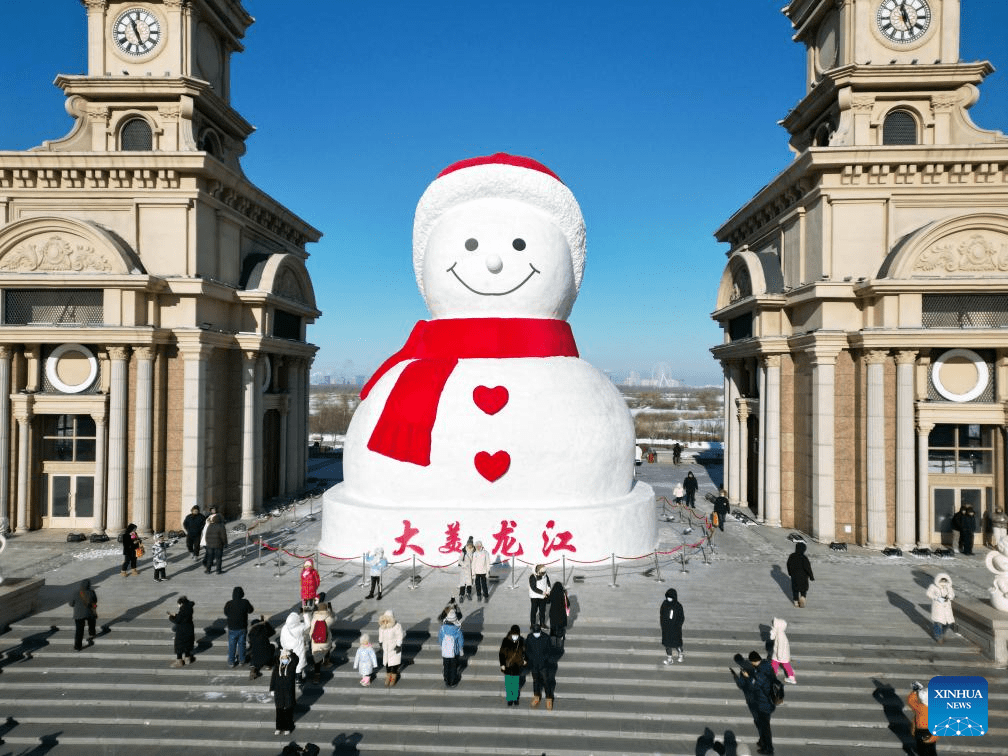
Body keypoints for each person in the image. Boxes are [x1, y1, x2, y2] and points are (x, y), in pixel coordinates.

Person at [741, 650, 776, 754]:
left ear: (754, 661)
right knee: (762, 724)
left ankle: (768, 748)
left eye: (751, 662)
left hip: (763, 704)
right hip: (767, 702)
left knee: (765, 727)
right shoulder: (766, 666)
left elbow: (756, 685)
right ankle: (763, 741)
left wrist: (748, 677)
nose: (751, 664)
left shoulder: (761, 671)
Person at [525, 623, 555, 710]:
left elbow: (549, 651)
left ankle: (549, 698)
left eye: (537, 632)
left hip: (543, 665)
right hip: (534, 664)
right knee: (535, 681)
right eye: (534, 632)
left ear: (540, 631)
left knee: (546, 681)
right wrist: (530, 658)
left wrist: (544, 659)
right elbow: (527, 650)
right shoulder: (530, 637)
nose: (536, 634)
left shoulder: (546, 637)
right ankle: (536, 696)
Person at [269, 648, 298, 736]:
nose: (284, 659)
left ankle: (288, 727)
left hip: (288, 692)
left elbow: (296, 659)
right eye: (283, 658)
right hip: (279, 691)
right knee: (279, 710)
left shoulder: (291, 666)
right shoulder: (277, 667)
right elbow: (273, 678)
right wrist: (272, 689)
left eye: (286, 658)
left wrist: (290, 653)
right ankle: (279, 727)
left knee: (288, 710)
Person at [223, 586, 254, 667]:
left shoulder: (229, 603)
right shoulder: (245, 602)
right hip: (242, 627)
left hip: (232, 628)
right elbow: (251, 610)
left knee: (232, 645)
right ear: (242, 593)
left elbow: (226, 613)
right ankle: (242, 660)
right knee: (242, 644)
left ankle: (231, 662)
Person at [906, 681, 938, 756]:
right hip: (931, 731)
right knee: (932, 749)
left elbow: (911, 701)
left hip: (920, 731)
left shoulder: (919, 707)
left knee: (921, 750)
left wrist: (914, 692)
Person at [308, 594, 335, 680]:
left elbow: (311, 632)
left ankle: (317, 675)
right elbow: (334, 617)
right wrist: (331, 610)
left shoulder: (314, 619)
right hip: (325, 642)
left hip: (316, 643)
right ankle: (326, 662)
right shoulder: (329, 618)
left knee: (317, 659)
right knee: (328, 644)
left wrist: (312, 639)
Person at [499, 624, 526, 707]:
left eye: (516, 634)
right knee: (508, 683)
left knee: (515, 683)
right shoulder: (506, 641)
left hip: (517, 665)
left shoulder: (521, 641)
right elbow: (501, 654)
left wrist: (525, 660)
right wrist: (502, 664)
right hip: (508, 665)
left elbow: (525, 652)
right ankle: (510, 699)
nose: (515, 636)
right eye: (514, 634)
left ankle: (515, 698)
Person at [438, 601, 463, 687]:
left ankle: (446, 679)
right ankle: (452, 682)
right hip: (454, 652)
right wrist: (460, 648)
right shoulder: (457, 629)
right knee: (453, 667)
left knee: (446, 665)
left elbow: (440, 639)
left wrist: (442, 645)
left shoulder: (443, 628)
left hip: (445, 651)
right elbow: (461, 641)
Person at [279, 611, 309, 683]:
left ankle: (288, 676)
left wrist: (284, 646)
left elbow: (281, 639)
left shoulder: (284, 628)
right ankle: (298, 678)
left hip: (287, 648)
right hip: (297, 648)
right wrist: (306, 615)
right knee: (299, 662)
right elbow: (308, 625)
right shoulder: (299, 628)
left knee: (289, 662)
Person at [377, 609, 404, 687]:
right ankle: (388, 676)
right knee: (387, 664)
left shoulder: (397, 626)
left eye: (387, 620)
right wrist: (380, 643)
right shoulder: (382, 627)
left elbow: (400, 636)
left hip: (394, 648)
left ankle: (393, 678)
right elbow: (381, 635)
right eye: (384, 619)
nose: (385, 621)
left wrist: (398, 645)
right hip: (386, 648)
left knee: (394, 664)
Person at [69, 578, 98, 651]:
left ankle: (77, 647)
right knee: (92, 620)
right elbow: (95, 601)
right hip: (89, 613)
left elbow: (71, 604)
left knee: (79, 631)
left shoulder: (75, 593)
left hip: (78, 615)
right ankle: (92, 633)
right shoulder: (92, 592)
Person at [926, 572, 955, 644]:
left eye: (945, 581)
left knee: (948, 623)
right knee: (938, 623)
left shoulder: (948, 588)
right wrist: (937, 598)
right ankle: (938, 637)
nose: (943, 582)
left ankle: (942, 633)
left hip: (947, 609)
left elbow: (952, 595)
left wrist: (949, 596)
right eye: (941, 580)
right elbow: (929, 593)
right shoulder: (933, 587)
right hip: (938, 609)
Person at [168, 595, 196, 668]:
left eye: (178, 604)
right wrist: (176, 614)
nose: (178, 606)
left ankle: (179, 661)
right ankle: (187, 659)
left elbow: (178, 620)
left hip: (182, 630)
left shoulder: (183, 609)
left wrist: (171, 617)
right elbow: (184, 617)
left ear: (181, 603)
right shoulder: (189, 607)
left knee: (179, 645)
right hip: (189, 629)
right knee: (187, 643)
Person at [660, 587, 685, 665]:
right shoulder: (664, 604)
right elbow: (662, 614)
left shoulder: (678, 606)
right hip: (667, 629)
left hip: (675, 629)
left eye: (670, 598)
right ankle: (669, 659)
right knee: (667, 645)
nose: (669, 599)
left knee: (677, 644)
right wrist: (663, 625)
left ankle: (681, 654)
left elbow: (681, 618)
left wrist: (677, 625)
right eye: (668, 597)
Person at [785, 541, 814, 608]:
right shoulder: (804, 558)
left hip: (794, 576)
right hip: (803, 577)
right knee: (803, 589)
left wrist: (790, 573)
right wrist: (811, 576)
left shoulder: (792, 556)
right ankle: (803, 598)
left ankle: (796, 602)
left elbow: (788, 565)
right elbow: (808, 568)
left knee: (795, 589)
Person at [248, 615, 276, 681]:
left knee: (254, 651)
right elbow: (273, 632)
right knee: (272, 646)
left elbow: (251, 646)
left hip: (256, 657)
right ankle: (269, 665)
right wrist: (266, 623)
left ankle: (254, 669)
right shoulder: (264, 630)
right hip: (267, 655)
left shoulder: (251, 634)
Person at [769, 617, 796, 684]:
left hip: (781, 654)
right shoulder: (779, 633)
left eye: (774, 625)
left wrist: (779, 656)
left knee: (784, 664)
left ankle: (791, 677)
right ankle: (776, 673)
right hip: (780, 653)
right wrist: (773, 631)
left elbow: (780, 646)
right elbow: (772, 637)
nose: (773, 626)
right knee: (777, 663)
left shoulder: (780, 635)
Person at [528, 564, 551, 630]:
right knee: (534, 610)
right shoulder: (533, 577)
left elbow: (548, 583)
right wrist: (542, 592)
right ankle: (532, 624)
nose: (543, 574)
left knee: (542, 610)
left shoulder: (545, 575)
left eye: (543, 572)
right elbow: (533, 587)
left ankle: (542, 624)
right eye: (542, 572)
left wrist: (548, 590)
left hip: (543, 596)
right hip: (535, 597)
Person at [548, 580, 569, 650]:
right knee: (560, 631)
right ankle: (559, 645)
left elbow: (548, 601)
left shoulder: (552, 593)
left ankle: (553, 644)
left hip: (553, 615)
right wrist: (566, 595)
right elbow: (568, 604)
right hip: (561, 615)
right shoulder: (563, 594)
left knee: (553, 630)